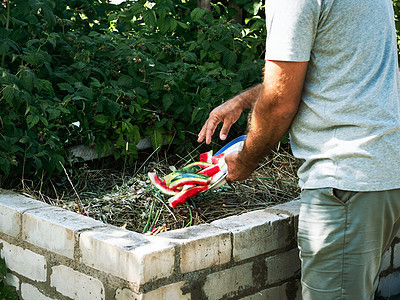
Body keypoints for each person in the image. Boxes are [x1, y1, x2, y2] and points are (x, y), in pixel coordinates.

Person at [197, 0, 400, 299]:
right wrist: (244, 100)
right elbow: (329, 70)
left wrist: (245, 161)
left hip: (345, 180)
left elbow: (280, 105)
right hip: (380, 170)